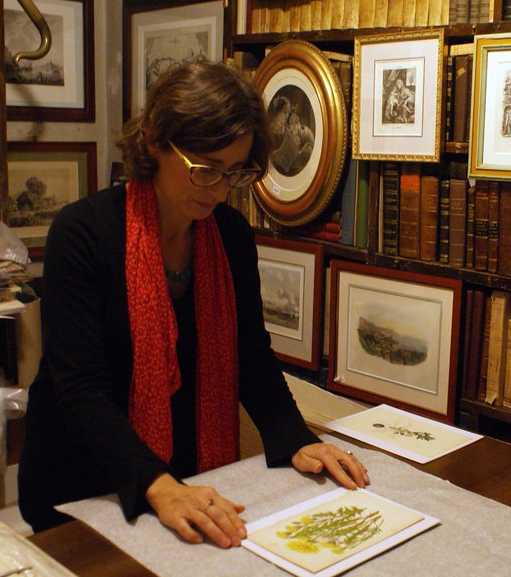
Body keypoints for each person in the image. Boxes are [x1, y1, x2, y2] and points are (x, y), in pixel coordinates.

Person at [18, 62, 369, 548]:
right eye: (206, 170)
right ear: (156, 144)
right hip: (83, 482)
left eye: (235, 173)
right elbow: (79, 391)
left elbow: (251, 356)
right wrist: (157, 486)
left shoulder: (229, 236)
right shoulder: (82, 233)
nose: (221, 190)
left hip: (184, 474)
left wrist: (296, 438)